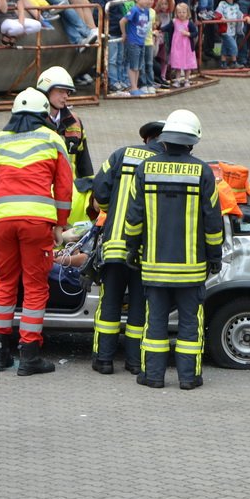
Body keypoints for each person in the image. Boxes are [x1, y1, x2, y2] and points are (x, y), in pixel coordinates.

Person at [0, 87, 73, 376]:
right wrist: (60, 224)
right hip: (36, 223)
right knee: (34, 286)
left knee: (5, 282)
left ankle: (0, 352)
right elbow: (65, 188)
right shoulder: (52, 139)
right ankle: (29, 354)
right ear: (44, 114)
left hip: (3, 223)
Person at [124, 110, 221, 390]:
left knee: (154, 322)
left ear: (164, 141)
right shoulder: (202, 171)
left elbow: (134, 216)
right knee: (190, 322)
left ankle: (153, 376)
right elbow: (212, 221)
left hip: (154, 266)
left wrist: (132, 248)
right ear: (192, 142)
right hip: (191, 269)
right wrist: (214, 256)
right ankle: (189, 378)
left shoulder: (146, 169)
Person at [90, 120, 166, 374]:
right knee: (139, 305)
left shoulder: (121, 154)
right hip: (146, 250)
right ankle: (134, 362)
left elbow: (99, 188)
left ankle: (104, 360)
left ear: (147, 139)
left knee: (110, 302)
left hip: (114, 245)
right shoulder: (166, 163)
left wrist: (109, 212)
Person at [37, 66, 92, 180]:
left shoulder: (75, 122)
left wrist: (90, 187)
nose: (65, 96)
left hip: (70, 193)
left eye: (67, 92)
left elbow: (84, 164)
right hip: (43, 192)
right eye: (60, 91)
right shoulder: (34, 121)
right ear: (46, 91)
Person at [165, 0, 198, 84]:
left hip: (187, 47)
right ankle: (178, 80)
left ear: (187, 13)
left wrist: (188, 33)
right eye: (179, 12)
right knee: (177, 64)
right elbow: (167, 27)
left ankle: (187, 79)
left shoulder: (189, 23)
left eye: (184, 12)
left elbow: (195, 33)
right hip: (177, 46)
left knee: (187, 64)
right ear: (176, 13)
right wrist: (159, 29)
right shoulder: (174, 21)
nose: (181, 14)